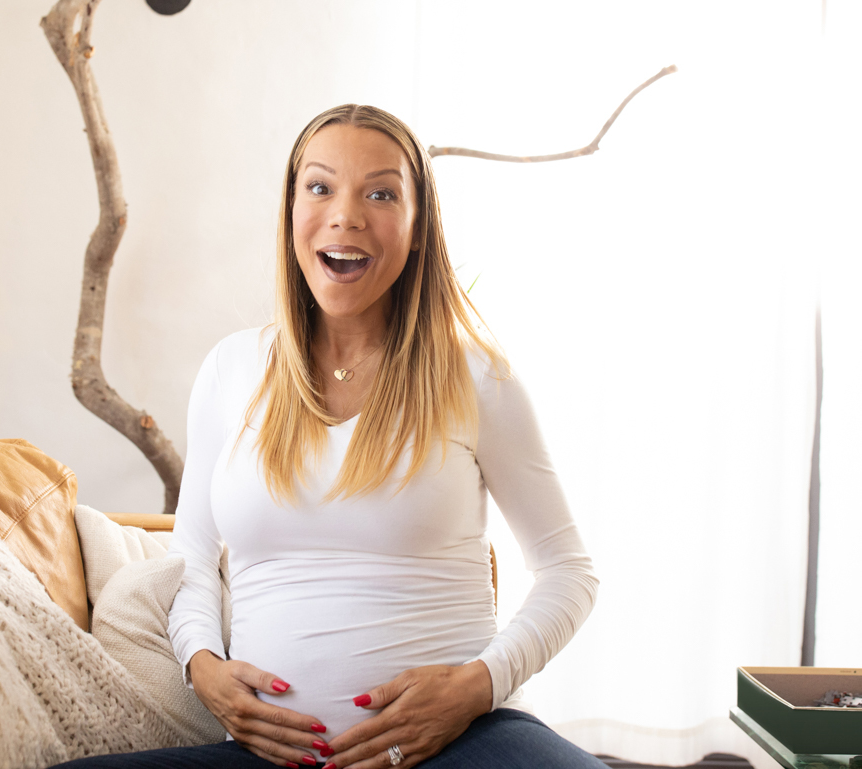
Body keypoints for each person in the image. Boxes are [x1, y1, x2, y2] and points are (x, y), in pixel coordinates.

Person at [53, 104, 604, 769]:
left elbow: (568, 572)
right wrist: (204, 667)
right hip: (273, 755)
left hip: (461, 746)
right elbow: (192, 557)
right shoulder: (233, 369)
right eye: (320, 186)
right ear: (291, 211)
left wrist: (475, 686)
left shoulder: (476, 376)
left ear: (419, 225)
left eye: (380, 192)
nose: (346, 213)